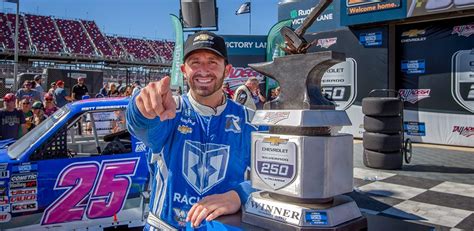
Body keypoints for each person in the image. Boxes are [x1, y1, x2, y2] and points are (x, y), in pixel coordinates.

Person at [127, 31, 258, 230]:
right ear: (183, 70)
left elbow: (274, 180)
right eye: (195, 62)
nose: (203, 70)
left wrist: (240, 194)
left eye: (212, 61)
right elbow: (142, 125)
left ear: (228, 70)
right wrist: (140, 109)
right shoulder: (169, 112)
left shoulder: (250, 121)